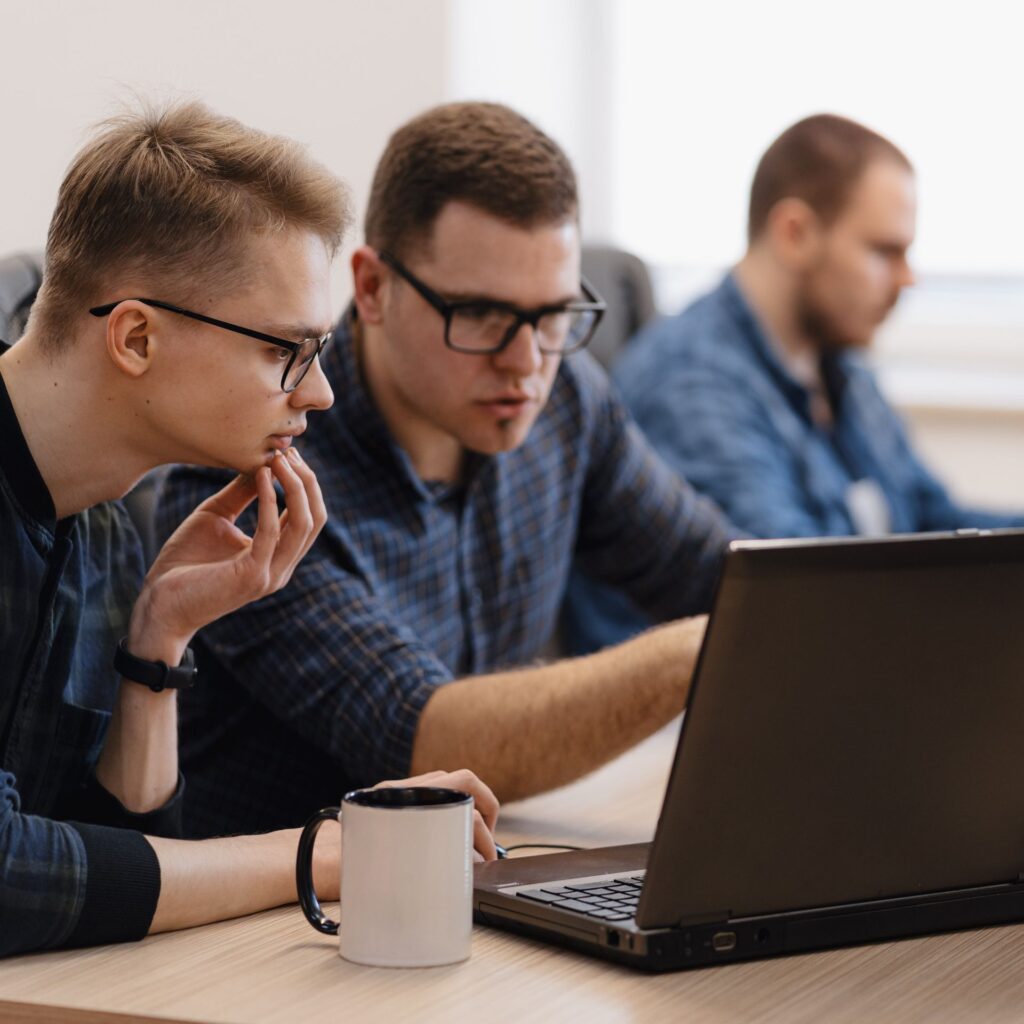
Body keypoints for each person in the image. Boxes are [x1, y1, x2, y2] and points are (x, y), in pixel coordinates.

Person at [155, 101, 737, 838]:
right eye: (483, 316)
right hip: (276, 922)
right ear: (372, 288)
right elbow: (426, 744)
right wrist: (702, 649)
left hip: (461, 882)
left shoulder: (565, 403)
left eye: (554, 315)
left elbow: (724, 573)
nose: (527, 363)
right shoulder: (250, 470)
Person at [0, 100, 497, 959]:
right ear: (136, 338)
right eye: (284, 353)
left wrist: (158, 639)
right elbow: (11, 879)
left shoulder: (111, 521)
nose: (319, 394)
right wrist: (324, 850)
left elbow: (110, 856)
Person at [566, 112, 1024, 653]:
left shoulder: (837, 363)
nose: (908, 278)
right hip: (701, 708)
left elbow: (934, 519)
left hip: (844, 665)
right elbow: (801, 606)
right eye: (884, 252)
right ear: (795, 233)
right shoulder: (692, 386)